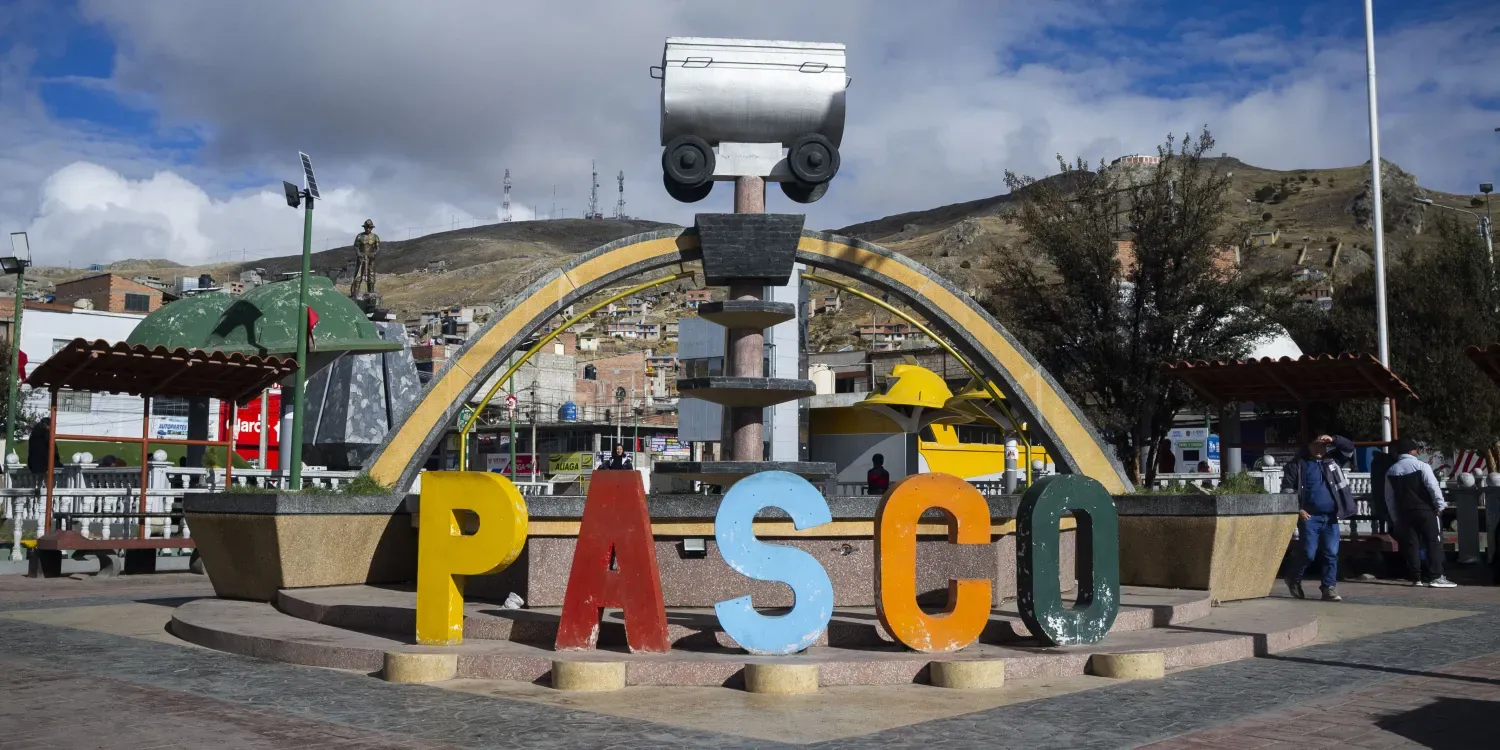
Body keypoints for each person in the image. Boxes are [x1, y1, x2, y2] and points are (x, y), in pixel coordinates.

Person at [1281, 434, 1358, 602]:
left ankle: (1328, 588)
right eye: (1315, 445)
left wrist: (1334, 439)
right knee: (1308, 552)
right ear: (1308, 446)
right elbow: (1287, 490)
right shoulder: (1297, 465)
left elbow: (1349, 447)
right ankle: (1293, 578)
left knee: (1331, 553)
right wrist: (1298, 509)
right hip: (1310, 517)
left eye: (1323, 446)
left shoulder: (1332, 461)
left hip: (1330, 517)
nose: (1319, 449)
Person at [1386, 438, 1456, 588]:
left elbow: (1389, 498)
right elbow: (1433, 487)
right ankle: (1435, 576)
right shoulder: (1421, 466)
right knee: (1432, 541)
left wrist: (1395, 518)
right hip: (1425, 510)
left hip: (1404, 513)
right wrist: (1440, 505)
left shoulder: (1391, 471)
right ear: (1412, 451)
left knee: (1412, 544)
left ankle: (1416, 577)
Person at [350, 219, 380, 298]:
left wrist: (374, 254)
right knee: (358, 274)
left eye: (370, 227)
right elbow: (356, 246)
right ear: (364, 227)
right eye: (366, 227)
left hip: (371, 259)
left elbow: (377, 248)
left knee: (371, 275)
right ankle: (355, 293)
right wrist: (358, 253)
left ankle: (371, 293)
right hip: (361, 258)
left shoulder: (375, 237)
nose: (368, 229)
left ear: (372, 228)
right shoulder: (360, 236)